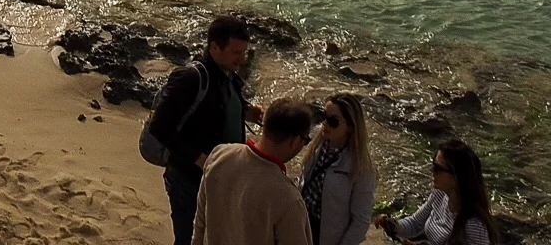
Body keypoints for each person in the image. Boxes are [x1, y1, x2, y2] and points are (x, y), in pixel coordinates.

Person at [146, 14, 267, 245]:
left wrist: (247, 111)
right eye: (236, 52)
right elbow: (159, 126)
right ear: (214, 47)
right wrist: (199, 159)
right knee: (189, 240)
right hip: (188, 180)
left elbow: (218, 108)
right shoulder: (190, 77)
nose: (242, 59)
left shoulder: (227, 75)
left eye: (244, 52)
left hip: (217, 179)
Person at [193, 100, 317, 245]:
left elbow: (199, 224)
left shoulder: (219, 155)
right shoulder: (288, 199)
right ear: (295, 141)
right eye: (306, 140)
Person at [376, 139, 497, 245]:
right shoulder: (440, 195)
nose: (431, 170)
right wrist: (392, 225)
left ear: (457, 177)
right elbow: (415, 223)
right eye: (433, 163)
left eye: (438, 168)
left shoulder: (474, 225)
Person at [302, 93, 377, 245]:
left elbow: (361, 221)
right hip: (302, 225)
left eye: (333, 121)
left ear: (350, 126)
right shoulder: (317, 145)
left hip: (327, 237)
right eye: (323, 116)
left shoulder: (361, 168)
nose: (325, 124)